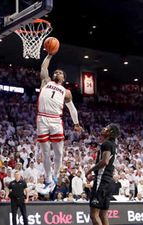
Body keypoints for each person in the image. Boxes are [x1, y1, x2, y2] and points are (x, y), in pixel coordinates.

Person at [38, 53, 82, 187]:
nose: (57, 73)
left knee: (59, 152)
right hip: (42, 118)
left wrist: (76, 124)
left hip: (56, 120)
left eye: (60, 72)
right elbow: (44, 67)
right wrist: (49, 56)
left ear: (64, 78)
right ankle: (48, 178)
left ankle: (56, 175)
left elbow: (72, 109)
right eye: (56, 72)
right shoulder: (46, 81)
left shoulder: (66, 92)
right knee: (45, 152)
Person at [85, 124, 120, 225]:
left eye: (107, 128)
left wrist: (89, 170)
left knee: (94, 214)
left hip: (102, 181)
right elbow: (107, 167)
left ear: (110, 132)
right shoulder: (113, 145)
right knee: (103, 214)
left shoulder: (106, 144)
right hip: (108, 181)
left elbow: (105, 162)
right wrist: (96, 175)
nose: (104, 128)